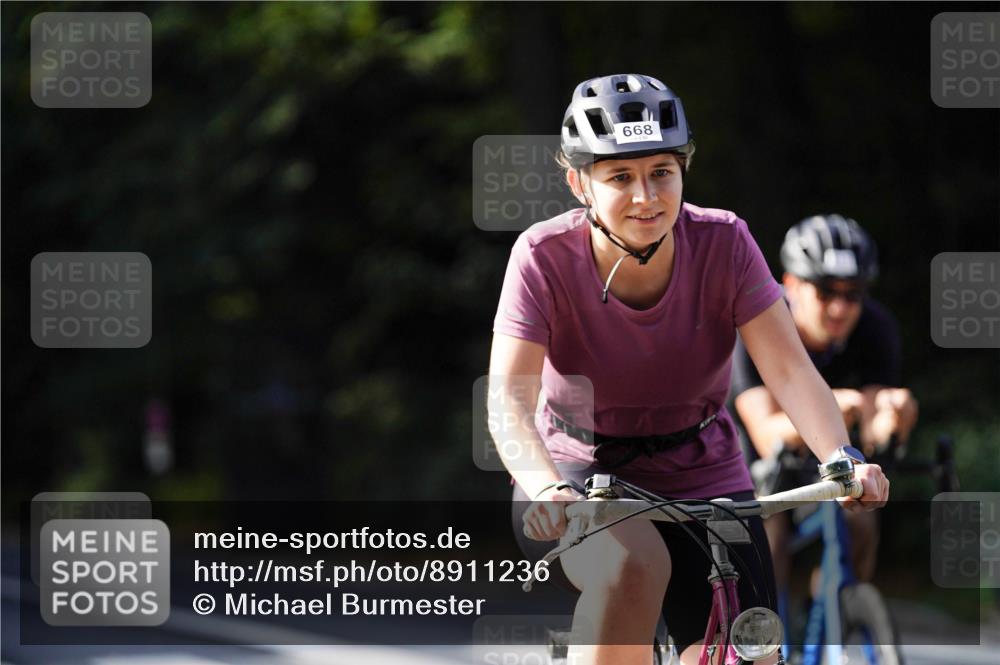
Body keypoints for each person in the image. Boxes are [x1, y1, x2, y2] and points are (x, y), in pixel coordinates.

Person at [487, 74, 889, 665]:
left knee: (752, 648)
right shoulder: (542, 258)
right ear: (579, 183)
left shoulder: (724, 242)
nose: (647, 196)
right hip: (579, 471)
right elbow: (509, 400)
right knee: (632, 565)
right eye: (620, 177)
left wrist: (841, 456)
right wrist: (546, 485)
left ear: (683, 173)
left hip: (703, 469)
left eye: (662, 173)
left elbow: (791, 371)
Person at [730, 214, 917, 606]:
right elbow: (766, 435)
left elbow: (870, 424)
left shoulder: (875, 327)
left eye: (853, 295)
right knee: (769, 538)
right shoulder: (757, 322)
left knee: (861, 523)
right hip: (751, 459)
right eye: (826, 292)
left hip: (828, 463)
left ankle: (837, 616)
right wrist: (840, 402)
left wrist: (892, 418)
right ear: (792, 285)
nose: (839, 308)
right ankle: (766, 634)